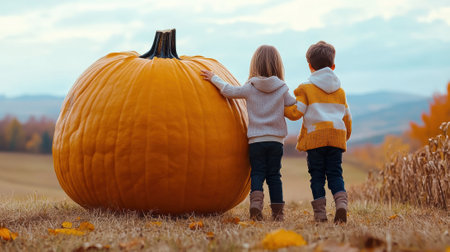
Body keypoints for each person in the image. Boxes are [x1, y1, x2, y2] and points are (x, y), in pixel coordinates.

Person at [201, 45, 297, 221]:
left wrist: (214, 78)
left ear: (255, 65)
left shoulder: (250, 87)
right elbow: (295, 105)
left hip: (256, 141)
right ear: (278, 65)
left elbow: (229, 91)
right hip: (276, 141)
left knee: (257, 174)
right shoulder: (283, 89)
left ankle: (255, 207)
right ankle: (277, 213)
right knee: (275, 176)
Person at [285, 41, 352, 223]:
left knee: (317, 177)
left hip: (315, 140)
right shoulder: (340, 91)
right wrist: (344, 137)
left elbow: (296, 112)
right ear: (333, 66)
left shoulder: (306, 88)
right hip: (336, 138)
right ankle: (341, 205)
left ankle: (320, 214)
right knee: (335, 174)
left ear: (310, 66)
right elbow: (347, 118)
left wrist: (281, 108)